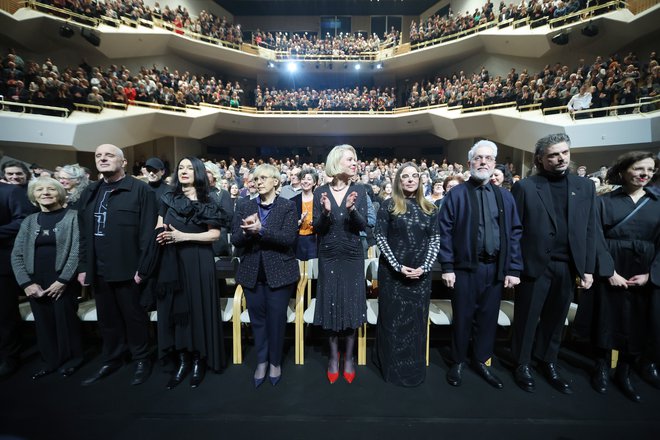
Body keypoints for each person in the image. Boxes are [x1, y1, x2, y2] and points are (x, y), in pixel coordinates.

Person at [511, 133, 596, 394]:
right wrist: (514, 267)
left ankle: (548, 361)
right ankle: (522, 364)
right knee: (527, 318)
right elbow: (515, 230)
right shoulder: (526, 186)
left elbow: (591, 228)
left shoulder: (585, 186)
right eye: (553, 155)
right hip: (534, 264)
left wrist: (588, 268)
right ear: (540, 159)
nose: (560, 158)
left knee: (557, 319)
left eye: (564, 153)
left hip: (569, 265)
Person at [439, 141, 523, 389]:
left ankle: (481, 361)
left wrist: (513, 268)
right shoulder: (456, 194)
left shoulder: (505, 196)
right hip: (464, 269)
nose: (483, 162)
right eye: (478, 158)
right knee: (463, 317)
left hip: (495, 269)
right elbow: (444, 232)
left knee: (488, 319)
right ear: (469, 163)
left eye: (488, 158)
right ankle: (457, 362)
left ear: (495, 164)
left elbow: (516, 232)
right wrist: (447, 267)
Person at [77, 144, 157, 386]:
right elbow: (83, 233)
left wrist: (143, 269)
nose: (102, 159)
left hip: (129, 269)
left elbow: (147, 234)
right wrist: (83, 266)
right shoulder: (90, 192)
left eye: (109, 155)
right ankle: (111, 358)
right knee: (107, 319)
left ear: (123, 162)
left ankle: (141, 358)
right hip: (99, 269)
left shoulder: (140, 190)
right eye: (98, 155)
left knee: (134, 318)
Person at [589, 152, 659, 402]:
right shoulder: (604, 201)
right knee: (606, 318)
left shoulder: (658, 202)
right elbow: (596, 237)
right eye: (639, 168)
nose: (645, 174)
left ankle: (626, 372)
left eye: (650, 170)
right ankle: (601, 367)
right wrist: (609, 271)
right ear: (624, 170)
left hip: (645, 269)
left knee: (637, 322)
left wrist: (652, 274)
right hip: (613, 264)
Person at [154, 157, 225, 389]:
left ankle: (198, 360)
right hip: (171, 261)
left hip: (198, 260)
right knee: (176, 311)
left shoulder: (208, 200)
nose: (184, 171)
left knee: (197, 309)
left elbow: (214, 235)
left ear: (198, 173)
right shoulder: (167, 198)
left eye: (189, 168)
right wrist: (162, 231)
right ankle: (182, 360)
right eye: (180, 168)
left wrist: (183, 236)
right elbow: (159, 223)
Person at [231, 164, 299, 387]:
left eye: (263, 178)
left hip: (279, 273)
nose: (258, 181)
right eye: (255, 178)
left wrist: (261, 230)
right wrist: (245, 231)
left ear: (276, 181)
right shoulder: (244, 205)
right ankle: (261, 360)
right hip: (252, 272)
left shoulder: (287, 206)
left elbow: (288, 239)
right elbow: (235, 240)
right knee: (258, 320)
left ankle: (275, 362)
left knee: (276, 320)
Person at [374, 162, 440, 386]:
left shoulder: (430, 208)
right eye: (405, 176)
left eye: (415, 176)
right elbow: (381, 238)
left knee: (416, 324)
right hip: (393, 276)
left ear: (420, 180)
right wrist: (397, 266)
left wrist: (425, 267)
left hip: (420, 277)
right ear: (398, 181)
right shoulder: (388, 205)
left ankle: (413, 370)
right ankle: (392, 369)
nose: (410, 179)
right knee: (392, 322)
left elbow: (435, 240)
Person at [11, 177, 83, 379]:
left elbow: (77, 251)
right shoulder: (29, 221)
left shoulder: (73, 217)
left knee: (65, 321)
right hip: (35, 280)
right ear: (33, 195)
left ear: (59, 193)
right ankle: (50, 361)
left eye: (51, 188)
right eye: (39, 189)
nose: (45, 192)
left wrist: (63, 280)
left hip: (62, 278)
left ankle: (72, 360)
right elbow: (16, 254)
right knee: (43, 324)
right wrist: (26, 283)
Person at [313, 144, 368, 384]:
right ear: (336, 162)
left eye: (355, 159)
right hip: (329, 255)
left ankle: (349, 358)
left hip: (352, 255)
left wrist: (352, 210)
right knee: (331, 305)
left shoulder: (360, 191)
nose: (355, 163)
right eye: (350, 159)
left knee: (351, 304)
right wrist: (325, 213)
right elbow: (317, 229)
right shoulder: (320, 193)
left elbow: (363, 226)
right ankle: (334, 357)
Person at [0, 181, 29, 377]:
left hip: (2, 264)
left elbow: (23, 220)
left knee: (4, 315)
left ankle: (9, 358)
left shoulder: (10, 191)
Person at [292, 168, 318, 261]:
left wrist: (315, 223)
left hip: (314, 240)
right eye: (303, 179)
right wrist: (299, 221)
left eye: (309, 179)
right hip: (298, 240)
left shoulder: (319, 201)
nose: (305, 181)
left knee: (313, 272)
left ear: (314, 183)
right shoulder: (292, 202)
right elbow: (288, 224)